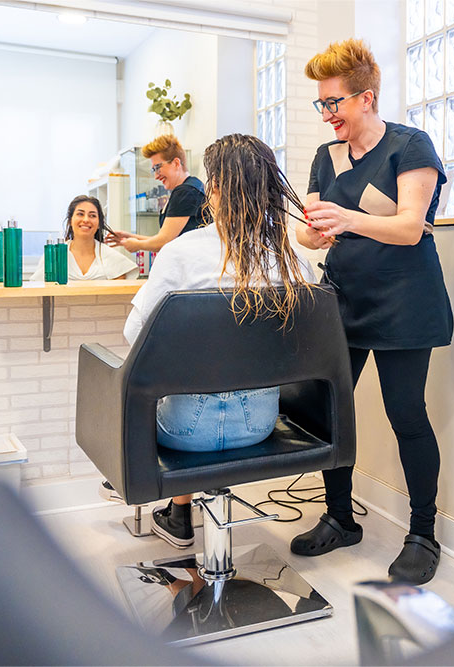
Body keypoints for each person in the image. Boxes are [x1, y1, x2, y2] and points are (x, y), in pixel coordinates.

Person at [291, 39, 454, 585]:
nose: (327, 114)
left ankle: (422, 534)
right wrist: (313, 232)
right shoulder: (325, 157)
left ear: (367, 98)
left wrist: (346, 219)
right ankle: (340, 517)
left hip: (405, 302)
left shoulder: (410, 146)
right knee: (327, 409)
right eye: (321, 104)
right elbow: (309, 231)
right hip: (344, 298)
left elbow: (410, 227)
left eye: (333, 103)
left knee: (405, 412)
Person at [121, 133, 315, 549]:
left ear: (213, 190)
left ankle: (176, 512)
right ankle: (182, 514)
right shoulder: (292, 262)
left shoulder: (182, 254)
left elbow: (134, 336)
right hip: (260, 426)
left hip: (183, 430)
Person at [106, 134, 209, 253]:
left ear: (176, 163)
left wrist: (138, 245)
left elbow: (164, 242)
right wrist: (130, 237)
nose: (156, 176)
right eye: (153, 170)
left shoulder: (186, 192)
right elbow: (166, 238)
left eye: (157, 168)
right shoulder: (192, 186)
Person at [28, 195, 137, 281]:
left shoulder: (112, 258)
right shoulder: (54, 255)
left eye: (92, 215)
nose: (86, 220)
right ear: (70, 220)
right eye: (80, 214)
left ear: (99, 223)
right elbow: (40, 289)